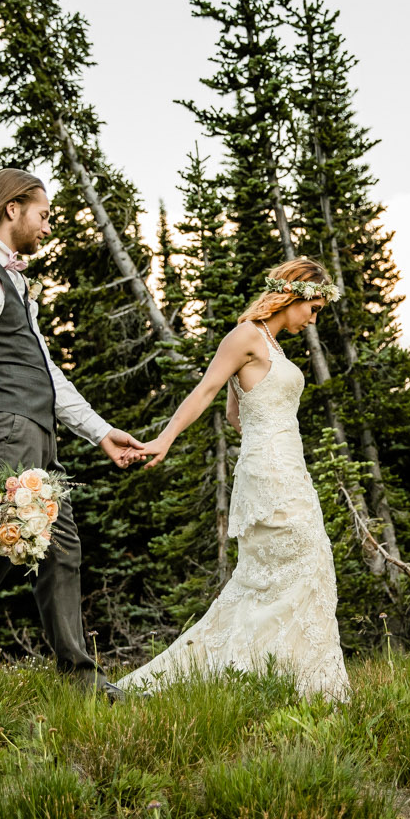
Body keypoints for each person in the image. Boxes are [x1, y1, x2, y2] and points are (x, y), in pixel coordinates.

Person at [0, 168, 144, 699]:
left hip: (35, 432)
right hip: (5, 432)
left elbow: (44, 371)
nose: (48, 226)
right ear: (11, 208)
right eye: (44, 214)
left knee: (59, 549)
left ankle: (79, 683)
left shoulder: (13, 280)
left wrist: (100, 432)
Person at [122, 258, 350, 700]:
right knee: (302, 567)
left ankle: (280, 679)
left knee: (286, 576)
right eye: (314, 308)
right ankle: (299, 685)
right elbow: (206, 390)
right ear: (293, 295)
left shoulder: (273, 345)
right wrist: (164, 440)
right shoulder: (246, 335)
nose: (312, 320)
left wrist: (266, 426)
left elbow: (234, 412)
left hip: (288, 467)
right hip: (271, 474)